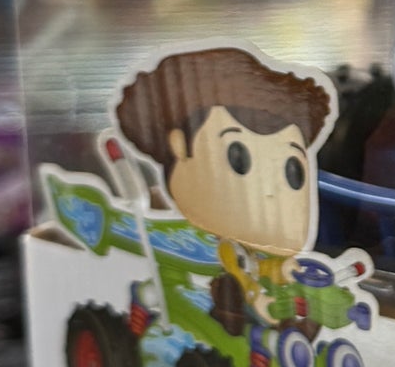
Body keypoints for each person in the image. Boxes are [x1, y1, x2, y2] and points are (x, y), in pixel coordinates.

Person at [115, 46, 335, 338]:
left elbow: (269, 268)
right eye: (238, 159)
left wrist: (287, 273)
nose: (268, 192)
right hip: (205, 313)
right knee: (162, 295)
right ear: (179, 147)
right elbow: (229, 269)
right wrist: (250, 294)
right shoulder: (191, 243)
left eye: (293, 172)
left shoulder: (262, 247)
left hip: (254, 319)